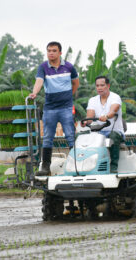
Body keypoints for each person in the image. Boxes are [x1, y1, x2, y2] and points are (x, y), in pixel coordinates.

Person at [29, 41, 79, 175]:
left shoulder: (68, 67)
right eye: (49, 50)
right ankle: (45, 167)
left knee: (70, 135)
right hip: (50, 108)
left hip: (66, 108)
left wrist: (68, 95)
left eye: (54, 50)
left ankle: (77, 165)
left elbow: (75, 83)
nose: (51, 53)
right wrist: (35, 92)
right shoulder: (43, 67)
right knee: (47, 137)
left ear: (60, 53)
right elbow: (39, 80)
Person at [85, 76, 124, 173]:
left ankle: (114, 167)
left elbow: (113, 111)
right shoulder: (92, 100)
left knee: (113, 136)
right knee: (80, 136)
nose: (99, 88)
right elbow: (89, 117)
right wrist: (86, 122)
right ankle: (85, 165)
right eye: (97, 86)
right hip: (98, 133)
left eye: (102, 85)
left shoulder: (115, 97)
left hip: (115, 131)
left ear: (108, 86)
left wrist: (106, 116)